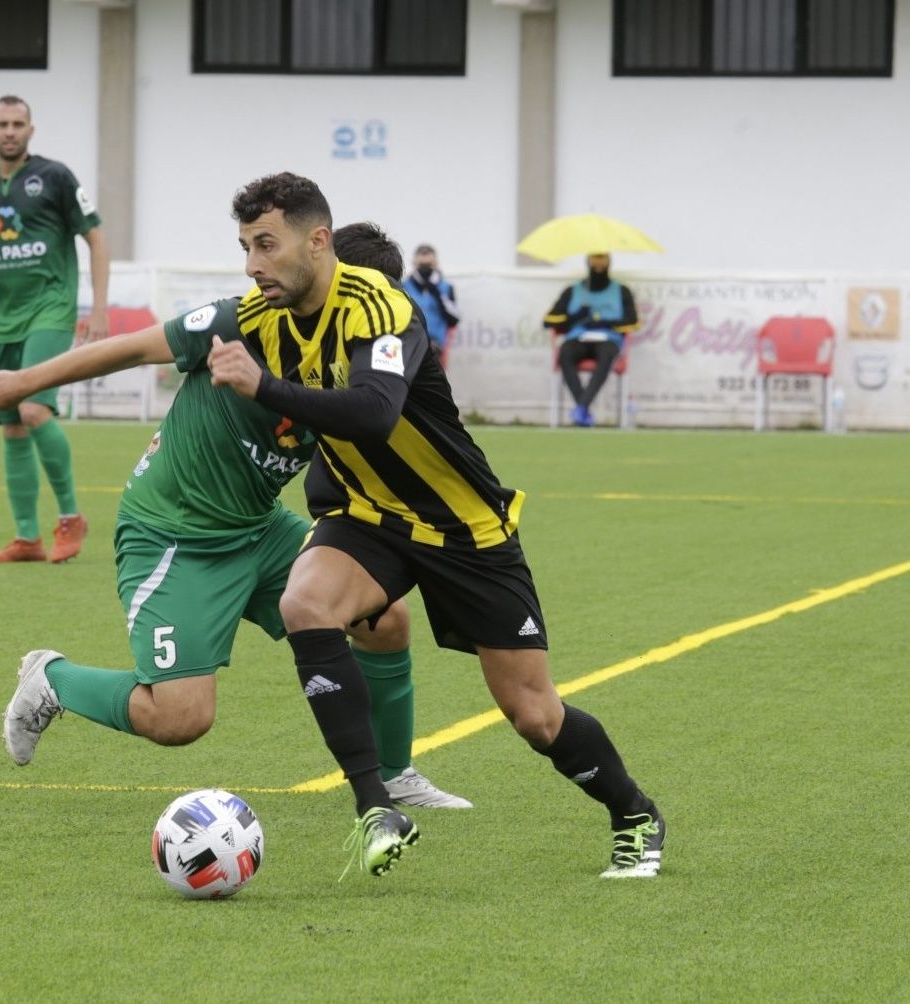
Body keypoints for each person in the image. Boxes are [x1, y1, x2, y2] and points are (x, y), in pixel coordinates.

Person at [206, 176, 664, 880]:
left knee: (534, 715)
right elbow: (163, 340)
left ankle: (633, 813)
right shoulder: (265, 313)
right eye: (246, 248)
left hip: (464, 530)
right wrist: (30, 379)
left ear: (317, 242)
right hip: (368, 519)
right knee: (305, 604)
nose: (253, 264)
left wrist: (261, 387)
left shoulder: (384, 311)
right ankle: (375, 805)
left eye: (264, 245)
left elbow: (371, 412)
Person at [0, 239, 473, 819]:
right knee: (180, 718)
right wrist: (24, 383)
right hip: (173, 536)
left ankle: (394, 774)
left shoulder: (365, 361)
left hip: (260, 530)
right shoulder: (241, 320)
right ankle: (53, 679)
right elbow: (133, 349)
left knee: (385, 620)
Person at [0, 95, 109, 564]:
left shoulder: (55, 177)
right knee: (12, 426)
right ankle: (26, 539)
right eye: (3, 124)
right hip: (1, 320)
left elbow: (96, 237)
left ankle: (71, 518)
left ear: (31, 131)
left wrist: (98, 308)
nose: (11, 131)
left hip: (51, 310)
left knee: (35, 409)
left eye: (19, 124)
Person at [544, 253, 637, 427]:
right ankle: (583, 408)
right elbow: (549, 320)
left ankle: (581, 407)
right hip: (579, 338)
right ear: (588, 262)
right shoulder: (573, 290)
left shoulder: (622, 291)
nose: (599, 263)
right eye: (595, 258)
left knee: (607, 354)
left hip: (608, 339)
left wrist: (607, 323)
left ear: (609, 262)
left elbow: (633, 322)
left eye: (603, 258)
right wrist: (574, 317)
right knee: (565, 352)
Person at [401, 243, 458, 362]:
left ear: (436, 263)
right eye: (422, 264)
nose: (425, 268)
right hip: (409, 342)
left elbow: (454, 318)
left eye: (429, 264)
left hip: (436, 344)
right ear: (414, 263)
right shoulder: (404, 286)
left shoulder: (446, 288)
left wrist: (436, 292)